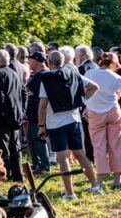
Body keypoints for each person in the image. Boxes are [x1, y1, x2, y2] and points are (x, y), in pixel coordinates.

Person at [38, 50, 102, 199]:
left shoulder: (47, 79)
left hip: (55, 123)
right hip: (74, 119)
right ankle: (95, 186)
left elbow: (42, 105)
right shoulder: (73, 73)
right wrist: (80, 100)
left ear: (49, 62)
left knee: (62, 158)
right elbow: (94, 87)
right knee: (80, 154)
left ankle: (70, 193)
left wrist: (41, 126)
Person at [84, 52, 121, 189]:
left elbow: (86, 91)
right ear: (114, 63)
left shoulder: (90, 73)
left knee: (99, 147)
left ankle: (99, 181)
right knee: (116, 145)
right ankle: (117, 179)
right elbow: (118, 95)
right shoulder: (117, 77)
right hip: (113, 111)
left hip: (95, 112)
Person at [0, 50, 25, 182]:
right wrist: (21, 111)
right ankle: (17, 174)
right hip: (15, 116)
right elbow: (23, 93)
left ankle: (4, 174)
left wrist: (4, 112)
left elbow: (0, 96)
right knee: (15, 147)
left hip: (1, 117)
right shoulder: (15, 73)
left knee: (1, 149)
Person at [23, 51, 52, 174]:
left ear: (37, 61)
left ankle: (43, 165)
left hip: (38, 112)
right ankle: (37, 164)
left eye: (30, 60)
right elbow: (28, 90)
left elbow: (28, 88)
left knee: (38, 139)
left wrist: (29, 90)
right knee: (33, 138)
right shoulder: (39, 74)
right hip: (34, 111)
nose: (28, 62)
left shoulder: (42, 75)